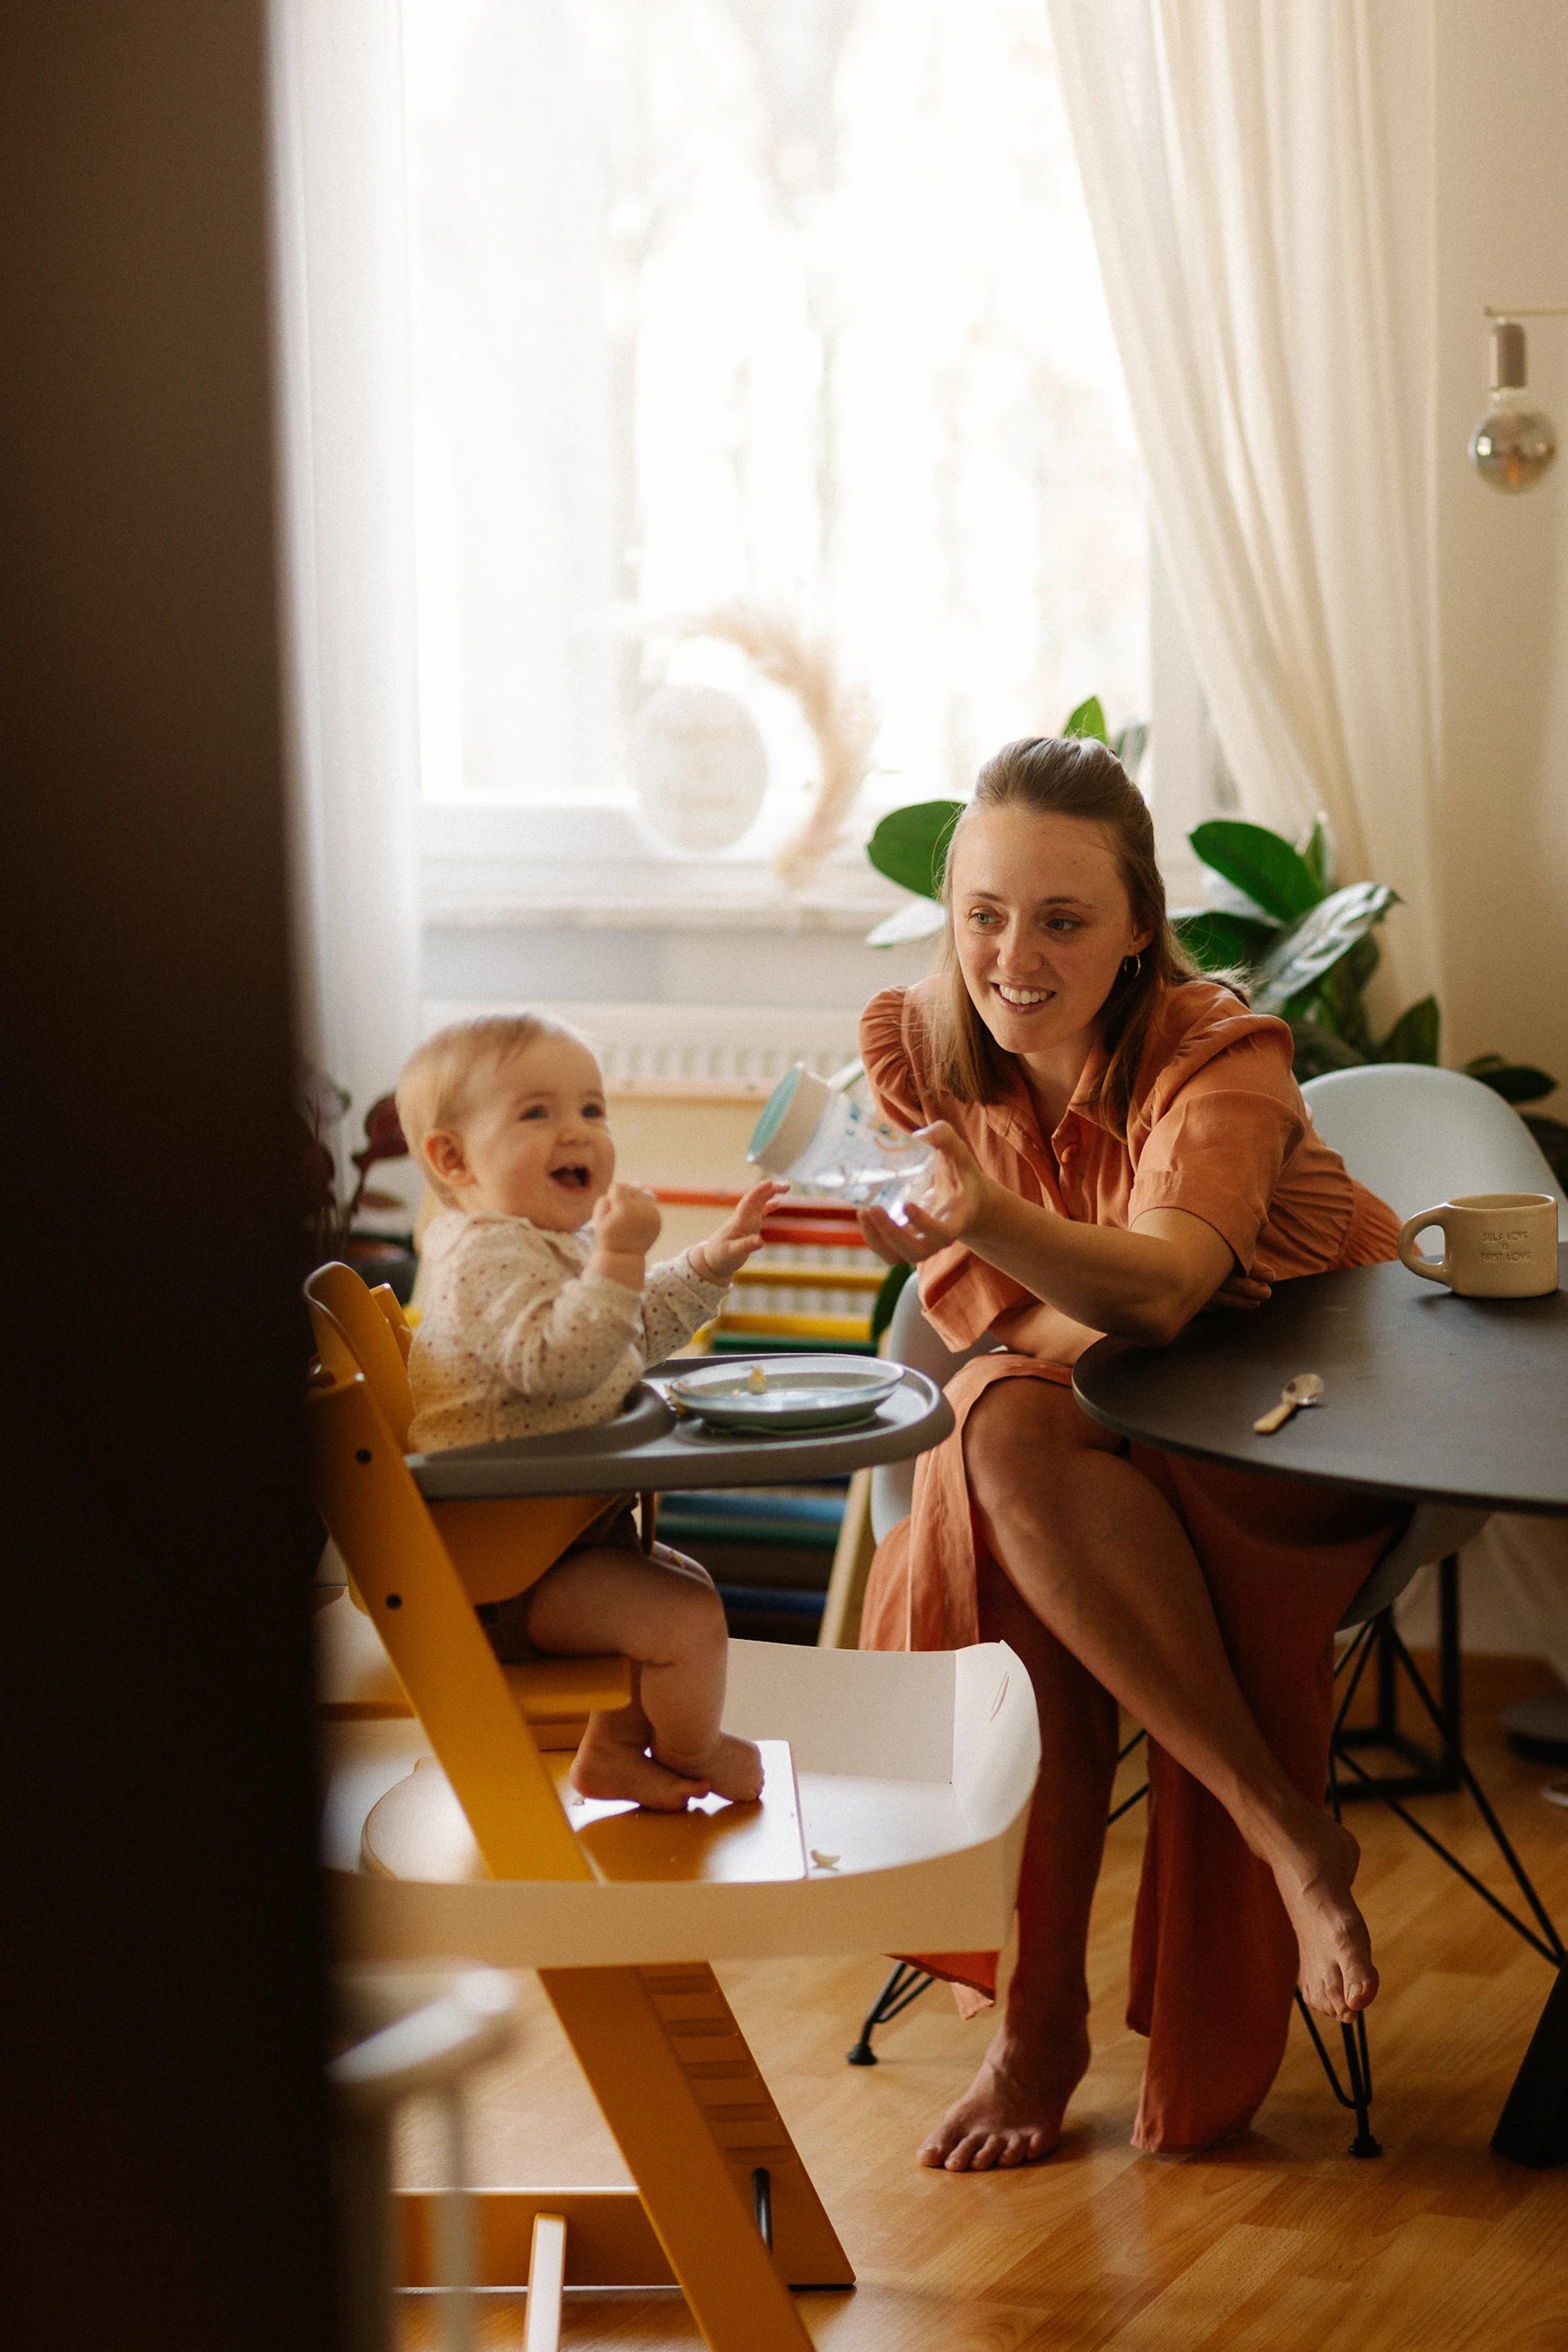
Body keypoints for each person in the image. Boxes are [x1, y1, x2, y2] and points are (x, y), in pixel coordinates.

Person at [855, 735, 1407, 2167]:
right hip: (1091, 1462)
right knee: (1003, 1451)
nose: (1012, 955)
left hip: (1291, 1447)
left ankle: (1050, 2032)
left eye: (1062, 919)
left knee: (1002, 1473)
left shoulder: (1219, 1060)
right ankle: (1280, 1835)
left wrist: (991, 1237)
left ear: (1139, 929)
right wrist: (1029, 1312)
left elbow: (1159, 1292)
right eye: (983, 913)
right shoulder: (922, 1051)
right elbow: (1015, 1344)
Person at [396, 1013, 784, 1812]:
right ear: (452, 1158)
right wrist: (618, 1258)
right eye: (538, 1113)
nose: (577, 1131)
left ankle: (612, 1753)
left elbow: (625, 1336)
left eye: (592, 1110)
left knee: (683, 1588)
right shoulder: (482, 1258)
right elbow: (562, 1366)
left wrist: (705, 1263)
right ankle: (693, 1755)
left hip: (547, 1541)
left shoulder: (537, 1244)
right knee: (683, 1620)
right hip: (504, 1569)